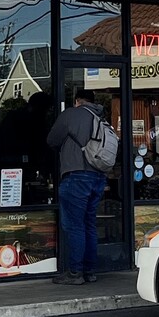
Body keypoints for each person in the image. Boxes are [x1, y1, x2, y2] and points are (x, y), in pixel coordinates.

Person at [45, 89, 107, 284]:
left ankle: (75, 272)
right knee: (89, 224)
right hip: (98, 176)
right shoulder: (101, 118)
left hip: (77, 175)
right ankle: (89, 271)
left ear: (77, 100)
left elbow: (52, 140)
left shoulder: (71, 114)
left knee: (75, 225)